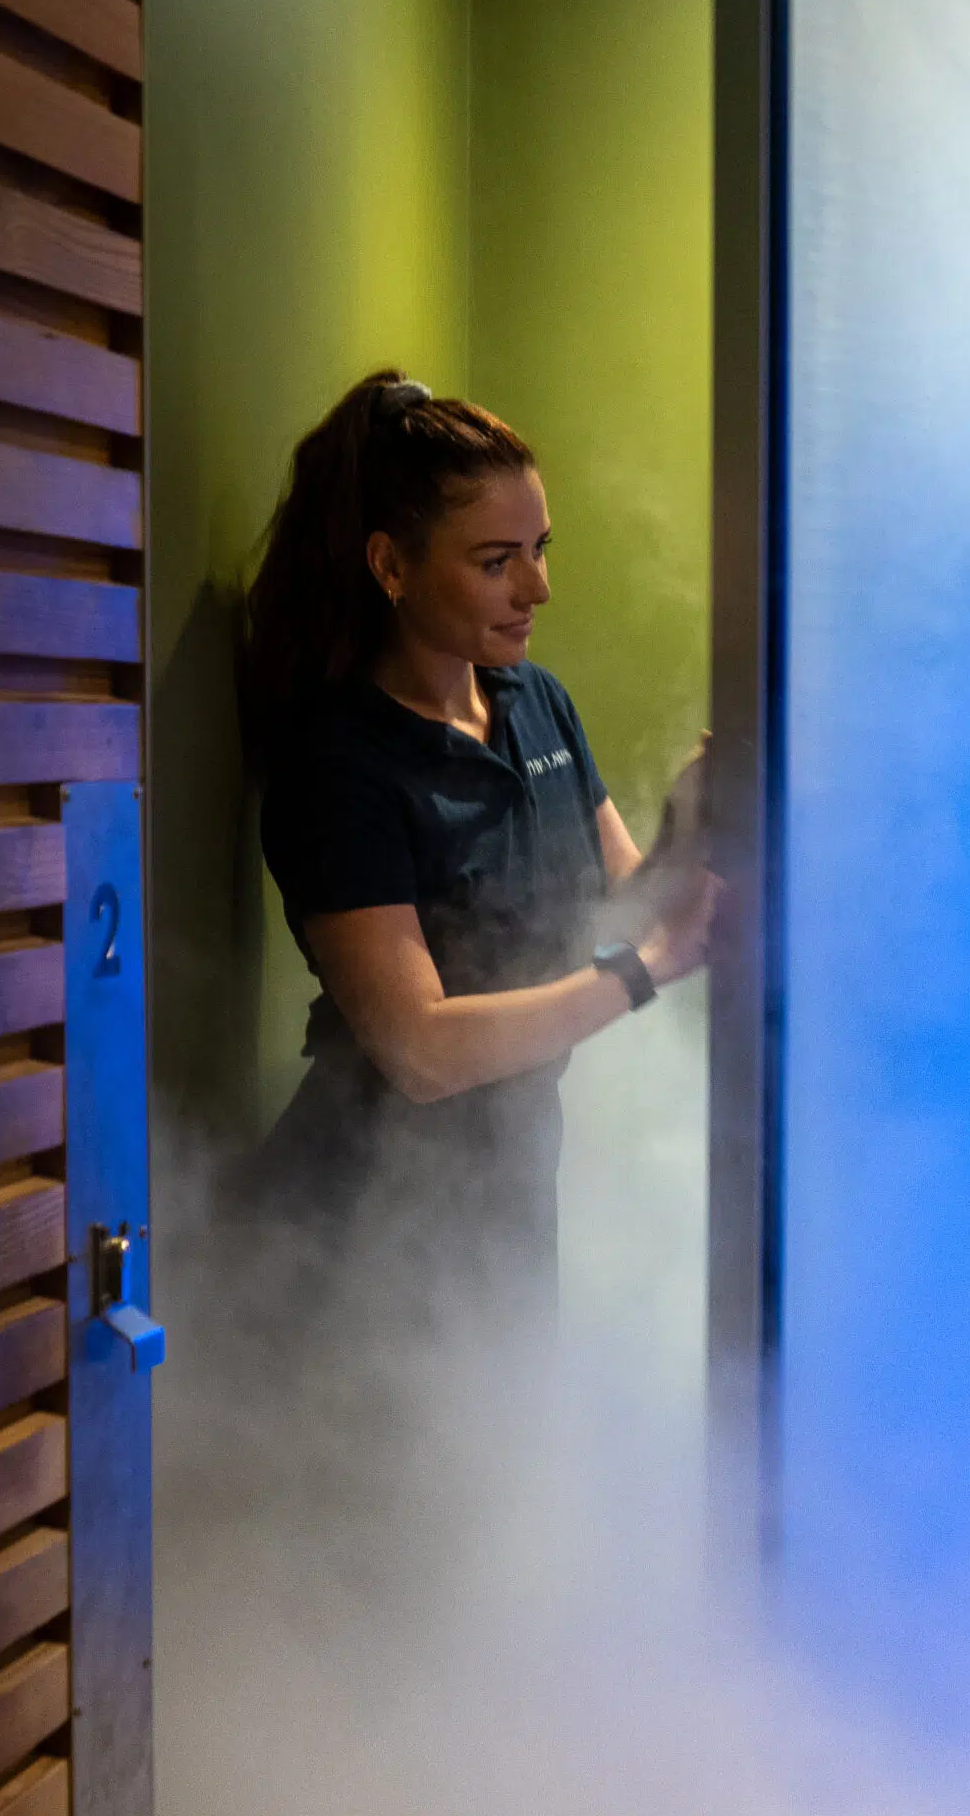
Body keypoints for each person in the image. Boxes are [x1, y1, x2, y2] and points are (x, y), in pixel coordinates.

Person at [236, 368, 715, 1327]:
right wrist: (646, 970)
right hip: (363, 1229)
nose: (538, 587)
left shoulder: (535, 701)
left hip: (510, 1185)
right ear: (391, 565)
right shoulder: (341, 764)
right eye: (497, 561)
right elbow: (420, 1050)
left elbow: (622, 900)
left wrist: (692, 821)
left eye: (539, 549)